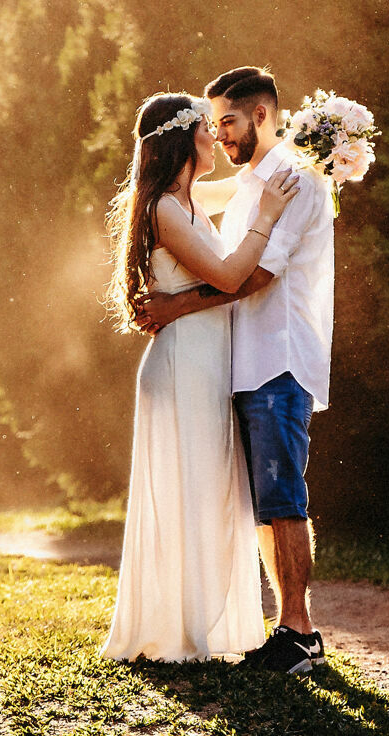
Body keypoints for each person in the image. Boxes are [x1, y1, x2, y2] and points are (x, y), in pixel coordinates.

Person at [135, 66, 334, 675]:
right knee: (262, 504)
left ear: (261, 116)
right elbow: (182, 213)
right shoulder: (248, 184)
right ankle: (288, 628)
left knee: (282, 496)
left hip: (278, 357)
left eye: (227, 122)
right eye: (211, 124)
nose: (219, 134)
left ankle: (298, 630)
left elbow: (256, 276)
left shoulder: (296, 181)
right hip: (239, 363)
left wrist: (175, 307)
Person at [101, 91, 299, 662]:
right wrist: (267, 217)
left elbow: (249, 181)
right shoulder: (163, 208)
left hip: (207, 362)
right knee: (190, 491)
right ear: (185, 138)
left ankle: (204, 623)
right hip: (183, 364)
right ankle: (181, 631)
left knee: (211, 491)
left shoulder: (188, 200)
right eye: (207, 129)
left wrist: (310, 146)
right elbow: (231, 277)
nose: (217, 137)